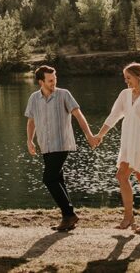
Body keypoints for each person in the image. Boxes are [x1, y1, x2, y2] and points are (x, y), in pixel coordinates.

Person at [92, 62, 140, 234]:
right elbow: (114, 116)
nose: (127, 82)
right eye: (125, 79)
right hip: (127, 142)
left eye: (129, 78)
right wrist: (100, 135)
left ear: (139, 76)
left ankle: (131, 217)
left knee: (124, 175)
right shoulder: (125, 95)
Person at [25, 64, 97, 231]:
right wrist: (30, 140)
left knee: (48, 179)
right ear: (40, 82)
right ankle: (68, 218)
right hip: (45, 145)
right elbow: (31, 121)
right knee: (57, 180)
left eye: (55, 79)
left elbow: (78, 115)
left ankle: (69, 214)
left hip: (62, 144)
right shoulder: (34, 98)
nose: (54, 82)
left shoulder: (64, 94)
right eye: (50, 80)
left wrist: (89, 135)